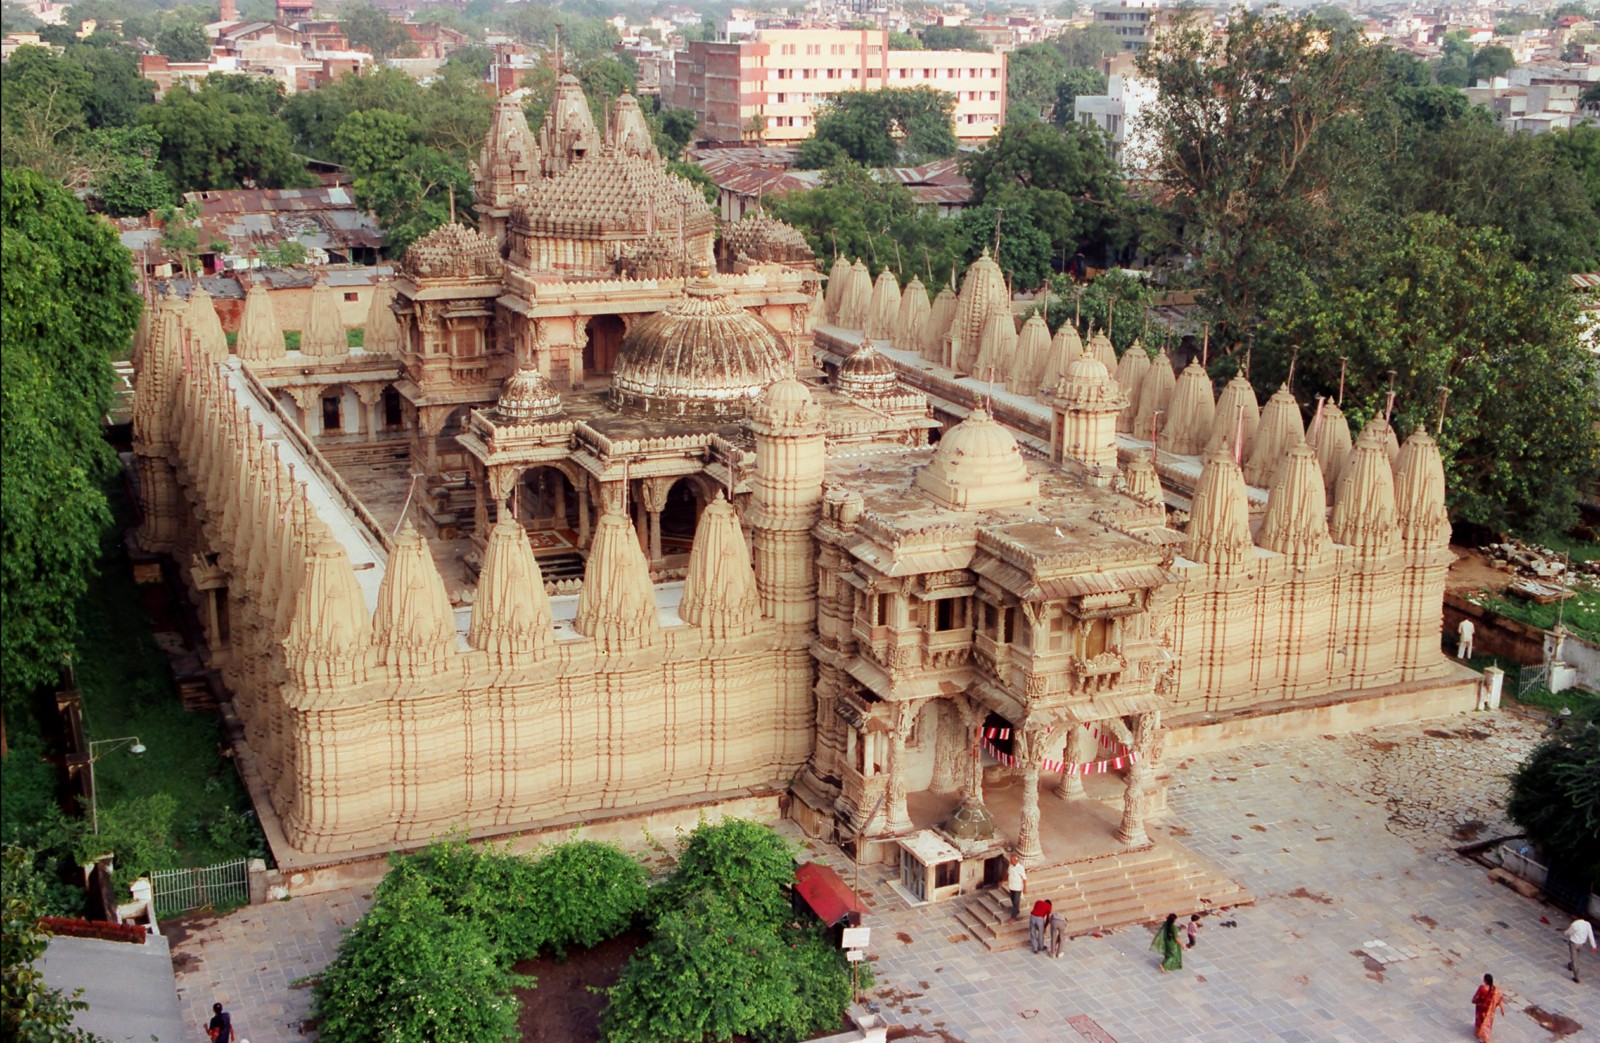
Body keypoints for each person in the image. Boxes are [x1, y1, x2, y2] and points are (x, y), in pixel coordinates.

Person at [1471, 973, 1505, 1042]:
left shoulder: (1482, 988)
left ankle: (1479, 1034)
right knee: (1487, 1024)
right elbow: (1499, 998)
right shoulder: (1495, 990)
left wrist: (1475, 1001)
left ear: (1485, 980)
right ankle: (1485, 1037)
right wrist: (1502, 1008)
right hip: (1489, 1010)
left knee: (1480, 1021)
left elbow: (1476, 998)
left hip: (1481, 1008)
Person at [1564, 916, 1597, 983]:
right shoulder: (1587, 924)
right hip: (1581, 944)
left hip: (1574, 943)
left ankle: (1576, 976)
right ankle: (1570, 965)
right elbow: (1590, 935)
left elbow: (1569, 932)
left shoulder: (1575, 924)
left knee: (1574, 958)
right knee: (1576, 955)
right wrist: (1594, 946)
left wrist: (1565, 932)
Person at [1005, 853, 1026, 922]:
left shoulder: (1020, 868)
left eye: (1012, 860)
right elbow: (1008, 873)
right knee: (1013, 900)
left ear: (1015, 861)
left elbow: (1024, 878)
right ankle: (1016, 910)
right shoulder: (1010, 866)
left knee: (1016, 902)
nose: (1010, 861)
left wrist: (1024, 888)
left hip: (1018, 888)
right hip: (1011, 887)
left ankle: (1013, 917)